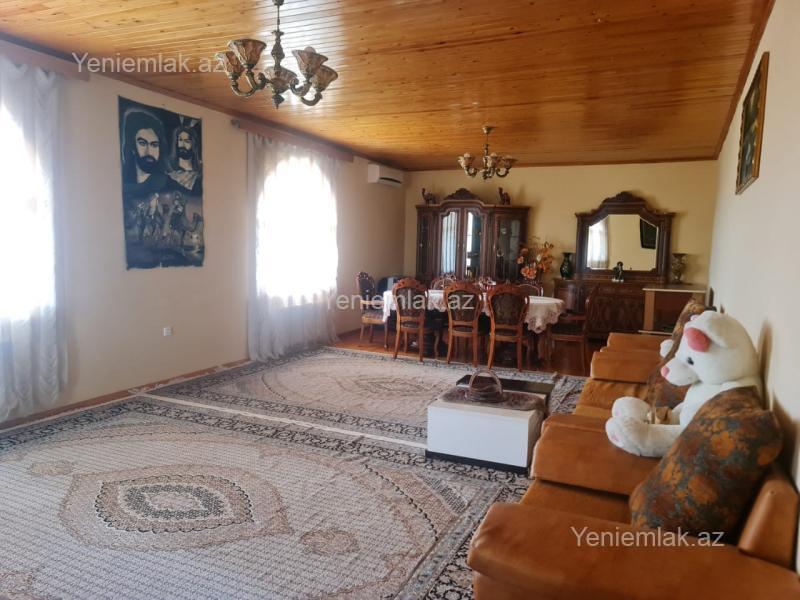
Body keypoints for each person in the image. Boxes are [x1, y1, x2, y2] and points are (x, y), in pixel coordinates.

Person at [121, 110, 176, 201]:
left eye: (154, 145)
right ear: (132, 146)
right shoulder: (121, 183)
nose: (149, 152)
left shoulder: (168, 184)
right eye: (142, 143)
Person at [167, 124, 203, 194]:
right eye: (180, 140)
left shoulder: (199, 172)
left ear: (193, 144)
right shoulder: (169, 169)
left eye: (187, 141)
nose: (182, 145)